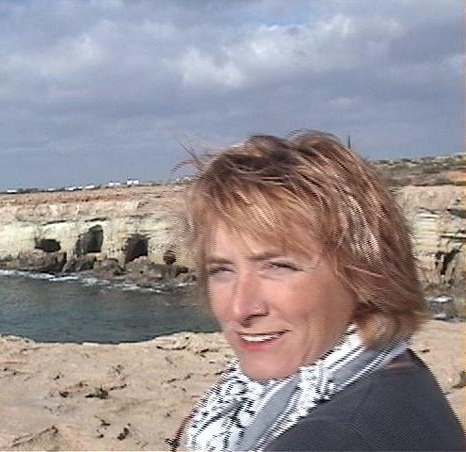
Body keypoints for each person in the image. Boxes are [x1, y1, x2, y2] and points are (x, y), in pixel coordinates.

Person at [175, 131, 464, 451]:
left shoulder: (332, 437)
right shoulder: (396, 374)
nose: (241, 308)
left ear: (365, 273)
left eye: (278, 266)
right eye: (222, 270)